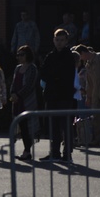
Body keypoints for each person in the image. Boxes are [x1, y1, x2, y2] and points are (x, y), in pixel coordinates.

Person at [39, 28, 77, 162]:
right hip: (51, 95)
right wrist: (54, 76)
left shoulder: (69, 56)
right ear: (53, 40)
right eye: (57, 40)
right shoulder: (50, 56)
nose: (59, 42)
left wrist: (54, 76)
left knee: (66, 125)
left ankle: (67, 154)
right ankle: (54, 152)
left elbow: (66, 75)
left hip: (65, 95)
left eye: (62, 40)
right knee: (53, 126)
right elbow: (43, 73)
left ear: (66, 41)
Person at [9, 45, 39, 161]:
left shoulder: (32, 68)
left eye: (22, 55)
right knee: (21, 126)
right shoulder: (17, 68)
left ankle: (27, 151)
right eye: (18, 55)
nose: (19, 57)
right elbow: (13, 82)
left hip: (27, 102)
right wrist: (12, 93)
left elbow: (30, 85)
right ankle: (26, 150)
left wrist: (19, 95)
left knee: (27, 127)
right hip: (16, 102)